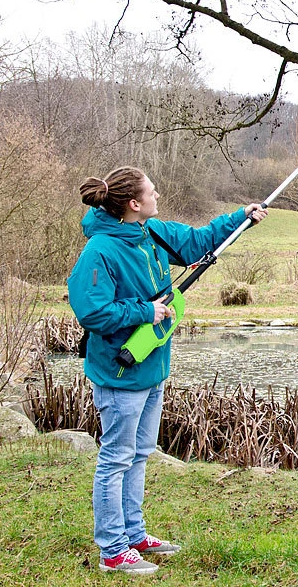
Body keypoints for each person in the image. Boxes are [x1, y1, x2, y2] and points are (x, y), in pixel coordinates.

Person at [67, 166, 267, 574]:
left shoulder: (150, 232)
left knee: (139, 454)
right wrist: (147, 310)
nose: (158, 195)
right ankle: (112, 550)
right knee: (116, 458)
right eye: (152, 192)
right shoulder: (100, 250)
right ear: (133, 203)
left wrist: (241, 218)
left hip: (153, 368)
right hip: (120, 374)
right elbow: (91, 310)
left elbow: (198, 242)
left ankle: (134, 535)